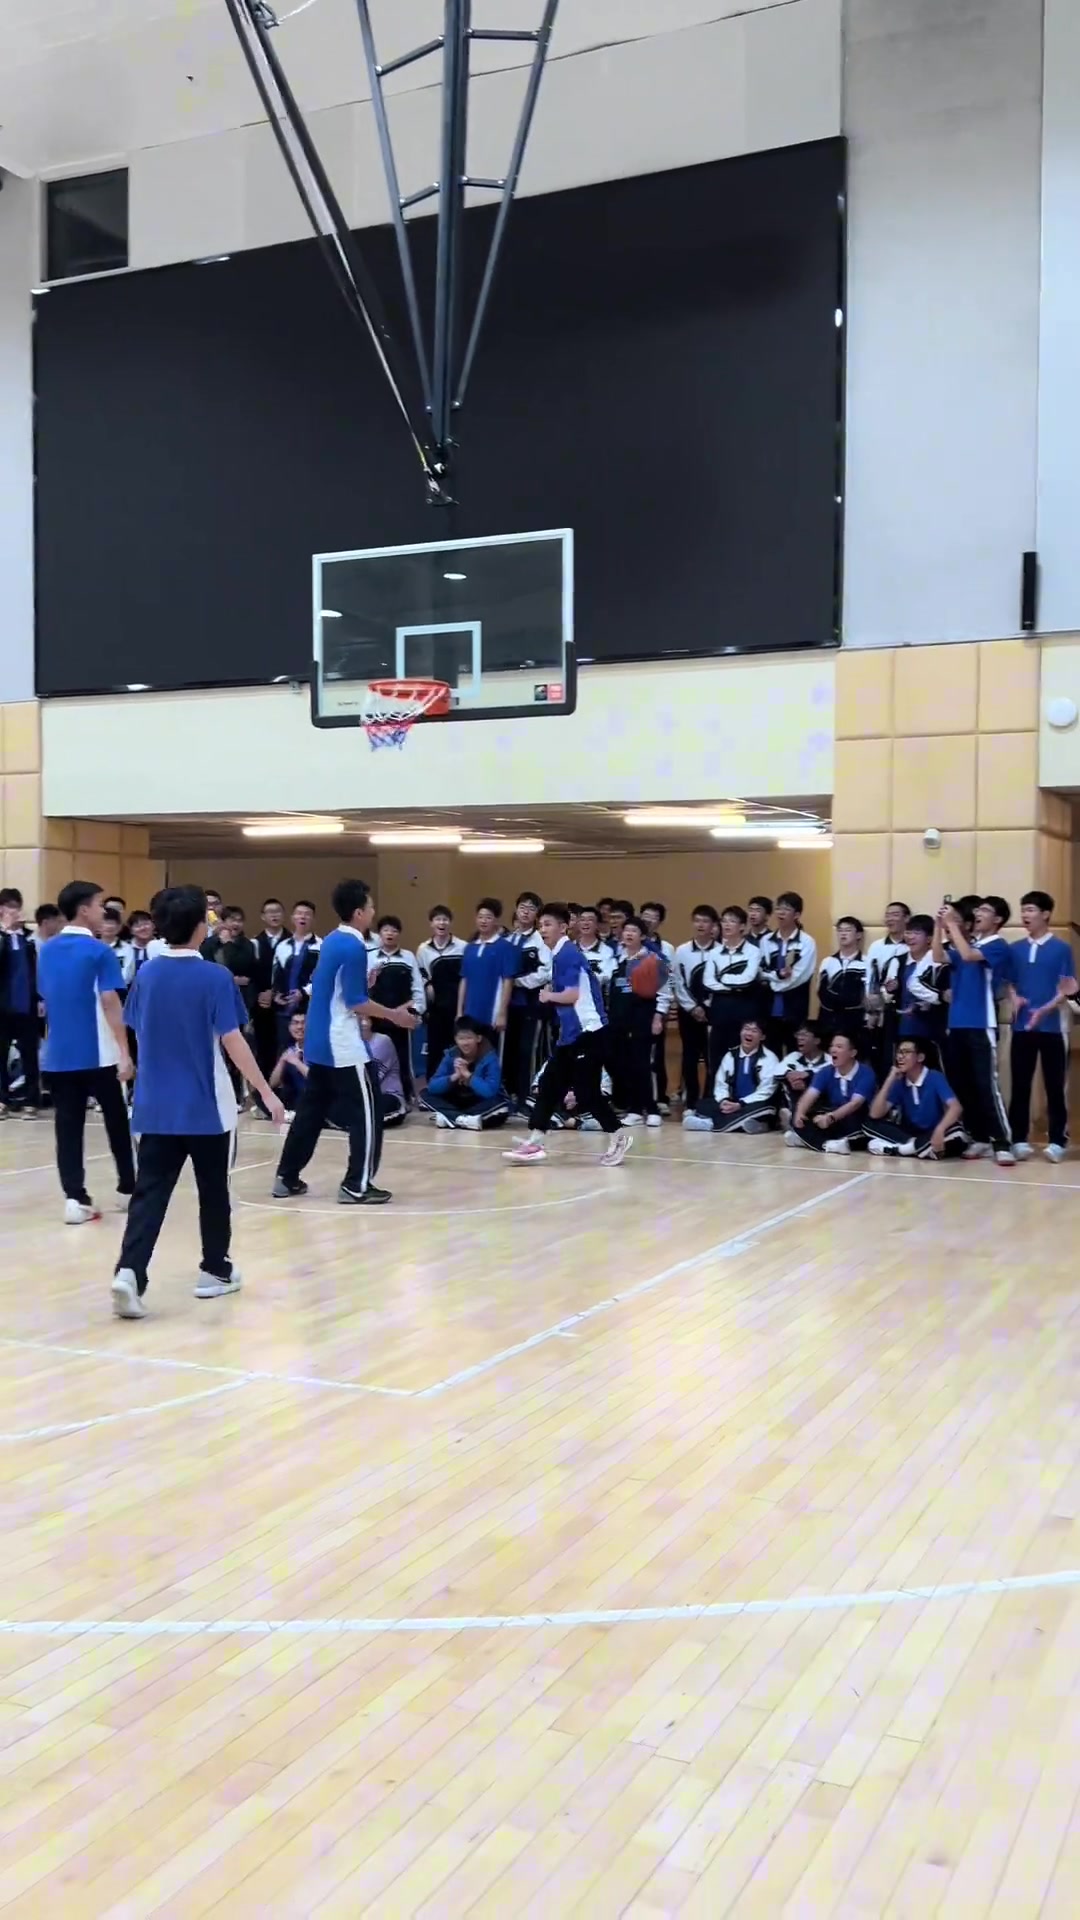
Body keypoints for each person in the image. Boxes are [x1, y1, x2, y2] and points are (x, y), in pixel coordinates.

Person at [110, 886, 285, 1319]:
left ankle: (129, 1272)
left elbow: (136, 1028)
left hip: (153, 1105)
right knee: (214, 1189)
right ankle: (215, 1270)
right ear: (200, 927)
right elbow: (233, 1041)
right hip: (208, 1107)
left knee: (149, 1193)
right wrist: (265, 1092)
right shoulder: (215, 977)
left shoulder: (147, 974)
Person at [272, 878, 417, 1205]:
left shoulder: (332, 941)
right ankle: (357, 1185)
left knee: (310, 1112)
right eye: (370, 906)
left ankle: (286, 1177)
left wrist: (364, 982)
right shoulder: (353, 946)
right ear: (359, 912)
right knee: (368, 1113)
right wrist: (395, 1015)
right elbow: (355, 1002)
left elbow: (332, 989)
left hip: (319, 1041)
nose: (374, 911)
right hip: (342, 1045)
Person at [36, 879, 136, 1224]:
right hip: (99, 1054)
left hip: (58, 1054)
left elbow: (48, 997)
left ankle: (74, 1198)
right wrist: (124, 1051)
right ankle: (128, 1188)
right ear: (83, 910)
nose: (103, 911)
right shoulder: (100, 951)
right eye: (98, 905)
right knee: (117, 1121)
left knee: (67, 1128)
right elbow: (110, 1002)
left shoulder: (46, 950)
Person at [504, 902, 632, 1167]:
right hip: (571, 1036)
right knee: (549, 1085)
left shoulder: (567, 954)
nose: (542, 929)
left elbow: (572, 995)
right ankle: (536, 1141)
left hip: (589, 1034)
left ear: (563, 927)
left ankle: (618, 1135)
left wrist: (548, 996)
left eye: (547, 924)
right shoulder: (559, 954)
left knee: (587, 1093)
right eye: (540, 925)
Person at [934, 895, 1015, 1165]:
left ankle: (1001, 1141)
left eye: (985, 910)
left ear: (998, 919)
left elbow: (969, 957)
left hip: (981, 1024)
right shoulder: (968, 943)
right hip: (956, 1025)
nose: (979, 913)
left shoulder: (997, 945)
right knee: (963, 1085)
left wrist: (951, 924)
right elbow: (938, 955)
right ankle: (979, 1137)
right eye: (977, 909)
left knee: (986, 1085)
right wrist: (938, 926)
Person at [1008, 890, 1075, 1163]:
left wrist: (1046, 1008)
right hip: (1021, 1028)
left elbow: (1068, 987)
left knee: (1054, 1086)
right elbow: (1009, 982)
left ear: (1046, 914)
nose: (1025, 915)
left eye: (1031, 910)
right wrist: (1014, 998)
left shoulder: (1062, 948)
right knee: (1020, 1085)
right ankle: (1018, 1139)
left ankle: (1058, 1141)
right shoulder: (1015, 949)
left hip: (1052, 1028)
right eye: (1023, 909)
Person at [607, 914, 671, 1126]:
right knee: (625, 1065)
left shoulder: (653, 960)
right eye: (626, 930)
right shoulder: (616, 960)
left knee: (643, 1064)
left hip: (643, 1018)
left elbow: (664, 992)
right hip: (619, 1020)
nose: (629, 934)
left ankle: (651, 1108)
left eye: (634, 931)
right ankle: (634, 1109)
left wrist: (658, 1017)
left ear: (642, 936)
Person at [865, 1037, 967, 1159]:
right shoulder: (899, 1081)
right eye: (899, 1052)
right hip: (911, 1135)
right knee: (869, 1125)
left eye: (906, 1052)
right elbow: (875, 1114)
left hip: (936, 1131)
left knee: (957, 1131)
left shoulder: (935, 1077)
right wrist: (889, 1079)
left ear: (920, 1057)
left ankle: (900, 1149)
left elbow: (956, 1108)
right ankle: (918, 1148)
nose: (900, 1056)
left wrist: (940, 1130)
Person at [684, 1018, 780, 1133]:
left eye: (754, 1031)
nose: (749, 1033)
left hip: (752, 1104)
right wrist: (724, 1101)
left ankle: (710, 1124)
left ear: (762, 1037)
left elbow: (766, 1090)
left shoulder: (770, 1058)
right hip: (732, 1103)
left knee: (765, 1108)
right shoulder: (730, 1055)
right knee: (703, 1104)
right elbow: (721, 1083)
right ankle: (750, 1125)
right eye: (746, 1029)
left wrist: (741, 1104)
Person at [788, 1030, 875, 1154]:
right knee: (799, 1116)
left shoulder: (866, 1073)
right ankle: (828, 1144)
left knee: (862, 1131)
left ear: (852, 1053)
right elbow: (810, 1095)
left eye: (839, 1047)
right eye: (832, 1046)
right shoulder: (826, 1071)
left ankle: (808, 1140)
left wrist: (830, 1118)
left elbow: (855, 1104)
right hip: (833, 1118)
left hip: (856, 1119)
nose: (833, 1050)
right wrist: (799, 1113)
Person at [503, 891, 552, 1113]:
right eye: (522, 907)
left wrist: (519, 982)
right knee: (509, 1050)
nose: (526, 912)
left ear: (537, 915)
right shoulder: (508, 940)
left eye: (531, 909)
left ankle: (527, 1097)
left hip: (532, 1005)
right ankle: (509, 1094)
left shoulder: (540, 940)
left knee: (528, 1051)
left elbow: (546, 972)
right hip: (508, 1006)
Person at [368, 915, 426, 1101]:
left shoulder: (408, 957)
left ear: (399, 934)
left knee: (403, 1057)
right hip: (375, 1017)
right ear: (379, 934)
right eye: (386, 930)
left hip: (401, 1018)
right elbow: (361, 988)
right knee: (374, 1055)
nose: (390, 934)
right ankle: (374, 1093)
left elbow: (417, 990)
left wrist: (414, 1010)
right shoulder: (370, 957)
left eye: (394, 930)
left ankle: (406, 1096)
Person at [421, 1016, 511, 1130]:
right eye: (461, 1038)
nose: (465, 1043)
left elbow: (490, 1091)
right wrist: (454, 1076)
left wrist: (468, 1075)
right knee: (425, 1094)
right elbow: (433, 1086)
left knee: (501, 1104)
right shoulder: (451, 1055)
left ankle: (450, 1117)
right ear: (455, 1039)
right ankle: (463, 1119)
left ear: (478, 1038)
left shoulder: (489, 1057)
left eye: (469, 1038)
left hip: (480, 1101)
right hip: (457, 1100)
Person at [703, 906, 761, 1074]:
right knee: (717, 1059)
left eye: (732, 921)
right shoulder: (714, 953)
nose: (727, 925)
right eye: (724, 921)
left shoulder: (753, 951)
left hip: (743, 1009)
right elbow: (708, 981)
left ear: (742, 926)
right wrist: (731, 987)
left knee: (740, 1058)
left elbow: (747, 978)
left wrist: (723, 979)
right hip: (720, 1010)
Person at [673, 905, 719, 1108]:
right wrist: (692, 1007)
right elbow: (677, 981)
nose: (701, 925)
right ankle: (691, 1102)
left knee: (711, 1057)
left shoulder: (720, 950)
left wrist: (708, 1008)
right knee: (690, 1056)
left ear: (713, 926)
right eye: (697, 920)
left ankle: (708, 1100)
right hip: (688, 1013)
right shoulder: (682, 951)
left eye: (705, 921)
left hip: (713, 1013)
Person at [759, 892, 818, 1047]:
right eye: (778, 908)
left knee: (795, 1053)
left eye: (786, 909)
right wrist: (777, 976)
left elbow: (800, 976)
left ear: (797, 915)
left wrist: (773, 983)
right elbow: (761, 971)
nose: (781, 913)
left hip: (795, 1009)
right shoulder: (766, 941)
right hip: (769, 1009)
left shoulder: (807, 942)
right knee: (771, 1053)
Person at [0, 890, 40, 1115]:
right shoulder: (2, 937)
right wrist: (4, 932)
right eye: (9, 906)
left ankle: (31, 1099)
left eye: (17, 906)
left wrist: (40, 997)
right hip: (3, 1005)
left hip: (26, 1003)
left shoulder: (29, 938)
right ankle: (2, 1099)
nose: (14, 911)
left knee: (30, 1054)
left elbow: (37, 971)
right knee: (1, 1054)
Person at [417, 905, 465, 1086]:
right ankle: (433, 1087)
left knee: (459, 1048)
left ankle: (459, 1086)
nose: (441, 923)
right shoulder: (423, 949)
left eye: (445, 919)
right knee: (435, 1049)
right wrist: (427, 985)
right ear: (431, 923)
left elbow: (466, 977)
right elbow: (420, 974)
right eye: (438, 919)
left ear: (450, 923)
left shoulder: (462, 947)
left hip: (457, 1007)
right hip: (436, 1008)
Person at [894, 913, 948, 1064]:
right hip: (904, 1026)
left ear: (930, 939)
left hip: (931, 1026)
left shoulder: (939, 963)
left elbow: (945, 994)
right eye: (908, 932)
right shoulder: (898, 961)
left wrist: (927, 1002)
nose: (910, 937)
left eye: (916, 933)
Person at [458, 898, 516, 1031]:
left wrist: (502, 1013)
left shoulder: (505, 947)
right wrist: (459, 1011)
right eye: (480, 917)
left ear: (496, 920)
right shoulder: (469, 948)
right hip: (469, 1012)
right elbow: (464, 980)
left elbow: (507, 982)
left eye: (488, 917)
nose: (483, 921)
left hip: (491, 1013)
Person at [640, 902, 676, 1111]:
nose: (648, 920)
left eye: (653, 917)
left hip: (657, 1004)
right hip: (634, 1004)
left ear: (660, 922)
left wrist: (663, 1008)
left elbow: (669, 978)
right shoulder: (631, 943)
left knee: (656, 1053)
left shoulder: (666, 948)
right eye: (645, 915)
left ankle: (659, 1098)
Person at [865, 902, 910, 1067]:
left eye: (895, 915)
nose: (890, 919)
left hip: (906, 1008)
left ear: (907, 918)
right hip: (882, 1010)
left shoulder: (912, 944)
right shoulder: (876, 946)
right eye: (887, 915)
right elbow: (870, 978)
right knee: (882, 1056)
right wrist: (871, 1010)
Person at [271, 901, 321, 1048]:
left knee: (310, 1049)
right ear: (292, 918)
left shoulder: (321, 946)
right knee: (284, 1049)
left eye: (307, 914)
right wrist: (276, 994)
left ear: (313, 919)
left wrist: (304, 993)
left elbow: (323, 979)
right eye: (299, 914)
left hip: (310, 1009)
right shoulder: (282, 946)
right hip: (285, 1011)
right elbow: (276, 975)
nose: (303, 917)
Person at [253, 897, 290, 1089]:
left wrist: (276, 991)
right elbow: (250, 973)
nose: (274, 915)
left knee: (286, 1046)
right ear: (262, 916)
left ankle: (288, 1089)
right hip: (262, 1006)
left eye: (278, 911)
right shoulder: (254, 943)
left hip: (287, 1002)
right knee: (264, 1047)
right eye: (270, 912)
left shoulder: (292, 941)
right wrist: (260, 994)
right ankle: (264, 1090)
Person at [817, 916, 868, 1044]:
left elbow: (866, 994)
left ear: (859, 935)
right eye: (840, 930)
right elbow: (821, 991)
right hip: (829, 1019)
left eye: (848, 930)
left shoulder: (866, 963)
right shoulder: (828, 962)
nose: (843, 934)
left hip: (855, 1020)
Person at [776, 1020, 828, 1129]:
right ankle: (793, 1119)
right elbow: (777, 1072)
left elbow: (828, 1079)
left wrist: (808, 1076)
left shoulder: (829, 1060)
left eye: (804, 1035)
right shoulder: (793, 1056)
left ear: (817, 1040)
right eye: (798, 1034)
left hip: (820, 1104)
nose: (800, 1038)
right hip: (795, 1099)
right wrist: (789, 1075)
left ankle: (793, 1121)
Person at [363, 1018, 408, 1128]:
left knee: (380, 1106)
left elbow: (371, 1079)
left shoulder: (382, 1041)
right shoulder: (347, 1044)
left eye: (364, 1018)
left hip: (386, 1095)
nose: (361, 1022)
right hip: (359, 1096)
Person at [270, 1009, 309, 1113]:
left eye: (304, 1023)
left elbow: (317, 1079)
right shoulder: (288, 1049)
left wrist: (297, 1062)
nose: (300, 1027)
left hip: (314, 1097)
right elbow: (273, 1083)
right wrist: (282, 1060)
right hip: (293, 1099)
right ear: (289, 1027)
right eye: (295, 1023)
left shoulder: (318, 1049)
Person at [577, 907, 617, 996]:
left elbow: (607, 976)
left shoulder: (607, 951)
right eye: (582, 920)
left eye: (590, 920)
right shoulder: (569, 949)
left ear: (597, 925)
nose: (586, 923)